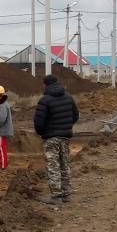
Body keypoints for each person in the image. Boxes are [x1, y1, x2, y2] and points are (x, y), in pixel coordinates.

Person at [33, 74, 79, 204]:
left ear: (45, 85)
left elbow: (39, 122)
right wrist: (66, 126)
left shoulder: (45, 100)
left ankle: (56, 196)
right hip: (65, 137)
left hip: (51, 137)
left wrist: (42, 133)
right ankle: (66, 194)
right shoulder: (68, 97)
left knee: (53, 165)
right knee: (64, 164)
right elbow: (75, 115)